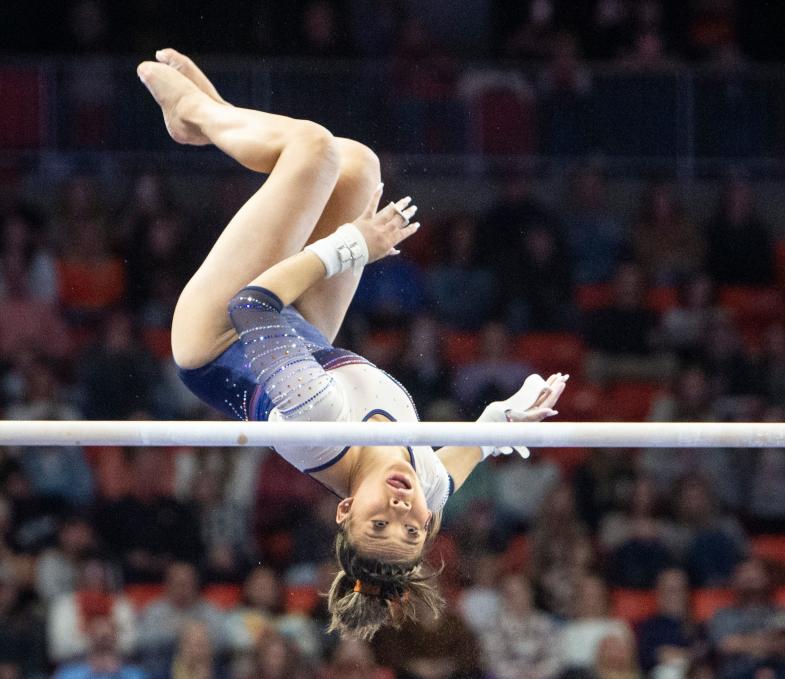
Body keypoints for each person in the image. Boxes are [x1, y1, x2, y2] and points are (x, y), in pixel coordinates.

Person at [135, 48, 568, 640]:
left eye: (377, 526)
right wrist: (506, 417)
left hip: (221, 335)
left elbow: (253, 306)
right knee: (359, 166)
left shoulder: (322, 424)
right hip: (307, 339)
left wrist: (352, 247)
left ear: (345, 510)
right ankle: (214, 114)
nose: (400, 515)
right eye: (412, 531)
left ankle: (196, 116)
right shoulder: (429, 489)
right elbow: (472, 447)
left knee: (313, 151)